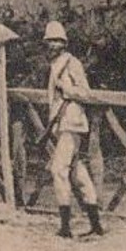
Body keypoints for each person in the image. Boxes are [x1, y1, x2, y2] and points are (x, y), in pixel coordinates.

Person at [43, 21, 103, 239]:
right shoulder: (55, 65)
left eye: (57, 40)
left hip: (72, 123)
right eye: (49, 41)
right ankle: (96, 225)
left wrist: (66, 89)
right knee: (77, 172)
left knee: (58, 169)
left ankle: (66, 227)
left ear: (64, 43)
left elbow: (85, 93)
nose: (52, 44)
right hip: (62, 125)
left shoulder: (72, 63)